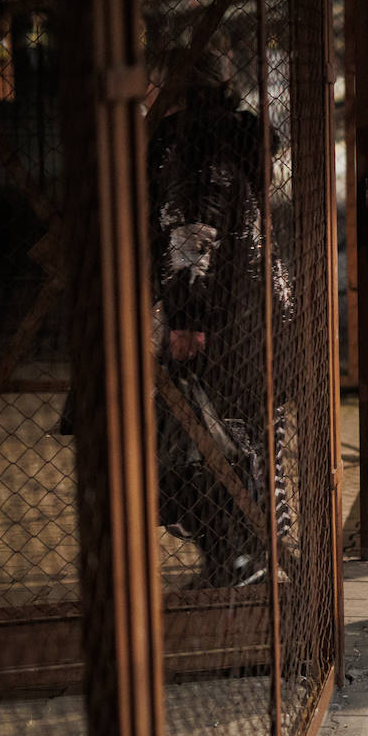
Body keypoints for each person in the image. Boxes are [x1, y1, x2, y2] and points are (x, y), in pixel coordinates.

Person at [149, 71, 295, 588]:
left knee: (191, 447)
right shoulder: (228, 143)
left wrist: (188, 316)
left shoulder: (190, 147)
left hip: (221, 326)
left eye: (149, 83)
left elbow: (195, 229)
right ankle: (245, 554)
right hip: (255, 322)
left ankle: (237, 557)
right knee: (241, 442)